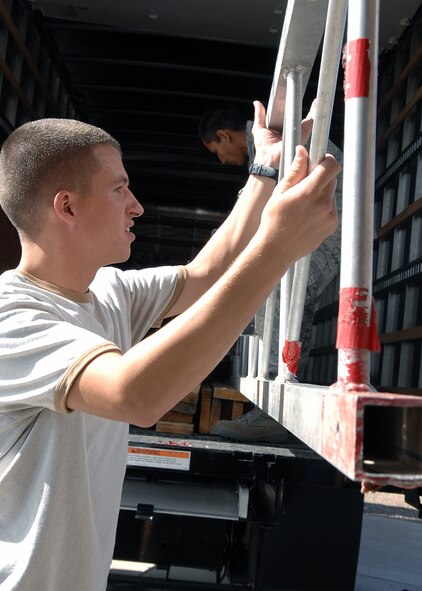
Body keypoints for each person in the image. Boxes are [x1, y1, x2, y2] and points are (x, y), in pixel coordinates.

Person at [0, 101, 339, 590]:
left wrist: (263, 169)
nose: (136, 205)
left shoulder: (109, 294)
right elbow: (134, 394)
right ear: (67, 206)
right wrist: (277, 247)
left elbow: (207, 273)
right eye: (119, 190)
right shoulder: (13, 319)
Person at [199, 102, 343, 441]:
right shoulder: (270, 141)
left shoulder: (271, 144)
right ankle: (278, 399)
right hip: (329, 219)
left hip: (331, 222)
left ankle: (275, 409)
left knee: (280, 289)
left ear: (224, 135)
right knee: (287, 294)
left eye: (217, 151)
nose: (221, 160)